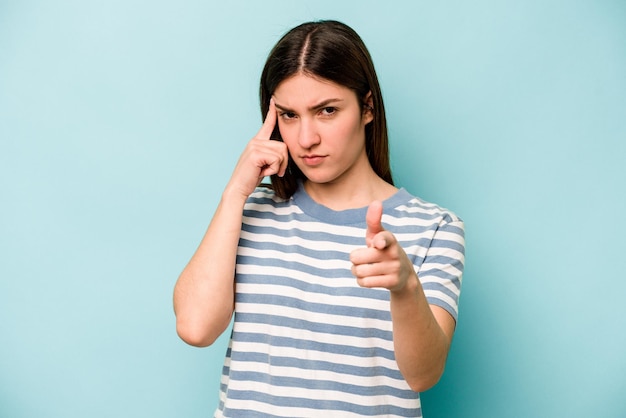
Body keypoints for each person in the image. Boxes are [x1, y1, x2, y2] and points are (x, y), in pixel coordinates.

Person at [173, 20, 465, 418]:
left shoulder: (434, 228)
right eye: (289, 115)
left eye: (326, 111)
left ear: (367, 107)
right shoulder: (251, 210)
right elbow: (195, 327)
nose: (305, 138)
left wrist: (404, 286)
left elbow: (424, 375)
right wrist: (235, 194)